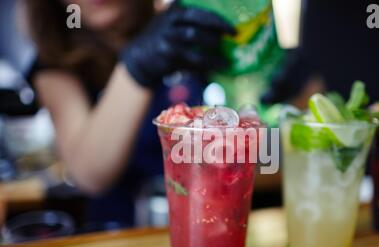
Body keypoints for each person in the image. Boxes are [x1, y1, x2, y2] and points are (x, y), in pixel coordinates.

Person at [23, 0, 236, 230]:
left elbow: (251, 129)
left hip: (210, 225)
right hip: (118, 238)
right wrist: (138, 67)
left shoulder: (184, 23)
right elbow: (90, 173)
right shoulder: (55, 62)